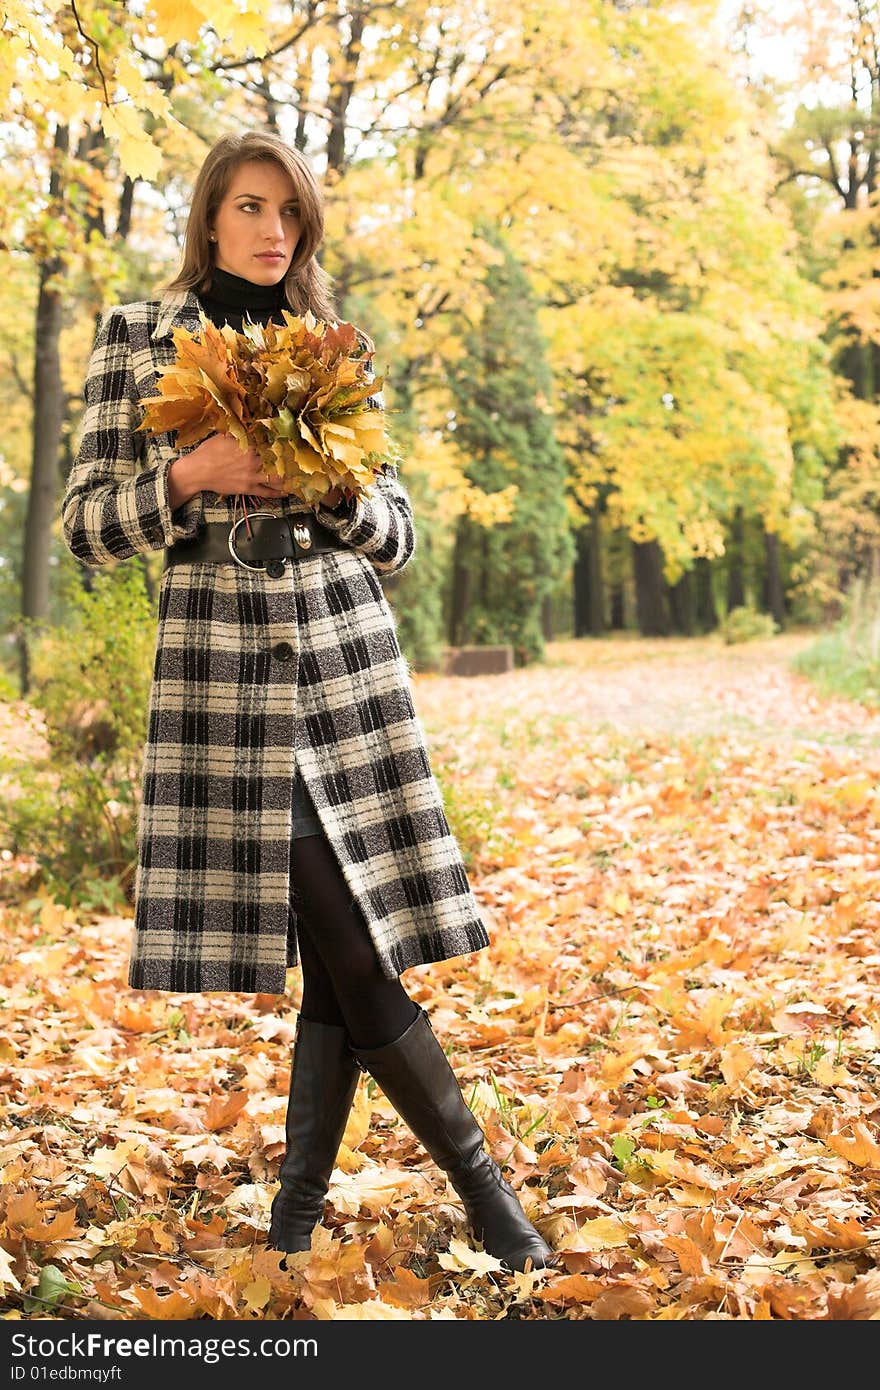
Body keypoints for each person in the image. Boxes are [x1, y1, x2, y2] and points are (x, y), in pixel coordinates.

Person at [61, 129, 556, 1274]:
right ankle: (486, 1194)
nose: (271, 229)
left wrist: (329, 487)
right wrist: (190, 477)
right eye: (247, 206)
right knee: (348, 937)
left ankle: (294, 1215)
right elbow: (86, 526)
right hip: (220, 681)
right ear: (209, 219)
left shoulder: (335, 346)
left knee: (342, 950)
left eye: (288, 210)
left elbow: (399, 536)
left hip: (343, 667)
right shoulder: (136, 338)